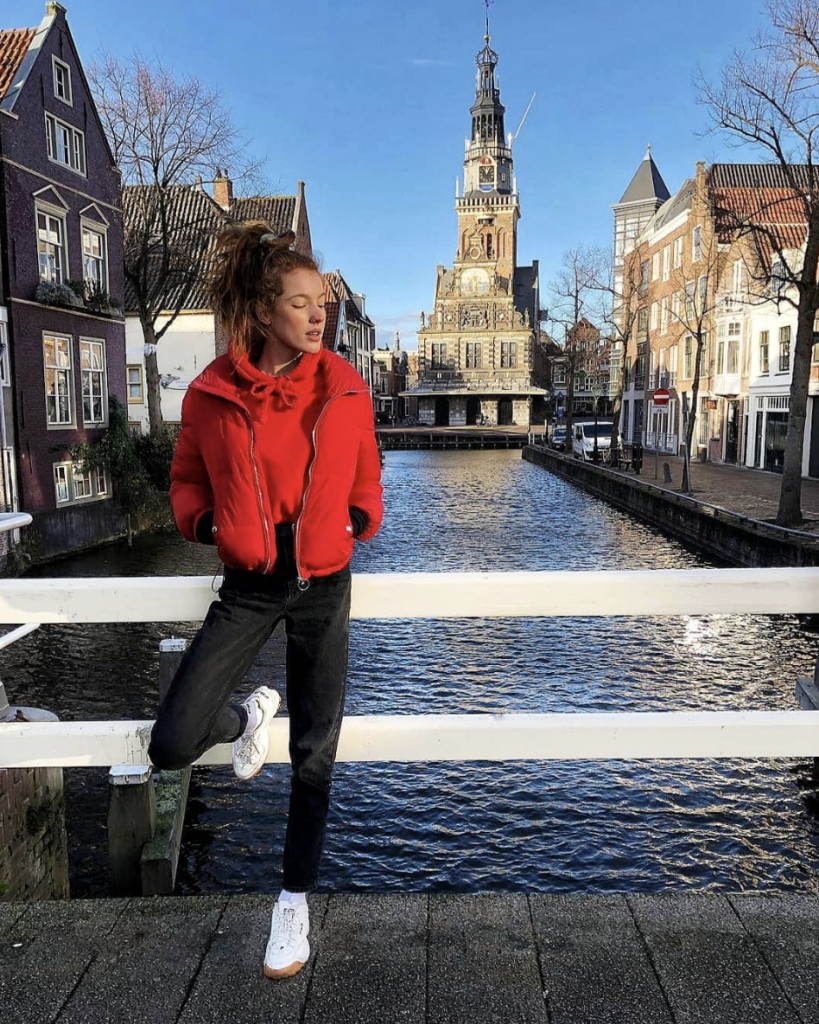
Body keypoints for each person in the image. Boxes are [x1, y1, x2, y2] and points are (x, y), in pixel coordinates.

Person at [148, 223, 383, 979]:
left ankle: (292, 901)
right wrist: (207, 524)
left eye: (323, 303)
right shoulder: (211, 393)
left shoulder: (344, 385)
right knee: (172, 741)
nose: (318, 316)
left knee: (315, 751)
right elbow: (187, 479)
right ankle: (247, 716)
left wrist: (356, 521)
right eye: (300, 303)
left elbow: (366, 473)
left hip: (323, 581)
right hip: (249, 583)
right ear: (260, 310)